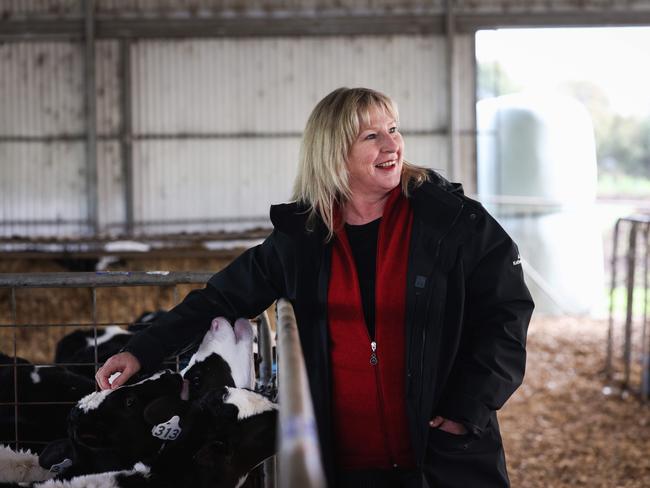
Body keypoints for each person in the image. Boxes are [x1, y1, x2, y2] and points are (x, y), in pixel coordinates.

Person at [96, 87, 534, 487]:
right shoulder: (302, 238)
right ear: (334, 152)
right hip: (342, 463)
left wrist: (468, 408)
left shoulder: (453, 222)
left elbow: (505, 314)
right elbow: (221, 297)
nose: (391, 145)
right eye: (371, 136)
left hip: (444, 456)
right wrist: (140, 351)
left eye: (393, 129)